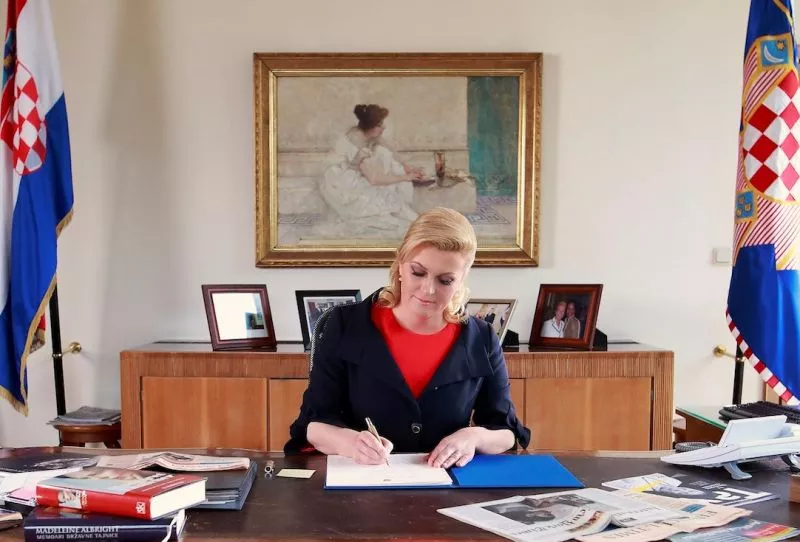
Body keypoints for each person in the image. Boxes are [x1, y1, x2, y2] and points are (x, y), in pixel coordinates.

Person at [285, 207, 530, 467]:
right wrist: (350, 442)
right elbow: (313, 424)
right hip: (361, 481)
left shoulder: (481, 337)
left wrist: (473, 437)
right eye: (418, 272)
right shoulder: (345, 325)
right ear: (400, 264)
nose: (428, 289)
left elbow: (506, 431)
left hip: (445, 484)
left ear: (461, 279)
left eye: (446, 280)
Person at [315, 104, 425, 238]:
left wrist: (406, 166)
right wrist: (407, 177)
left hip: (350, 174)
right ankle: (417, 223)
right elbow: (375, 179)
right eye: (380, 125)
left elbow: (389, 147)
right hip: (340, 184)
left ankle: (417, 222)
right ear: (370, 126)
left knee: (386, 160)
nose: (384, 127)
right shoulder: (358, 143)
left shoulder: (366, 132)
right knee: (383, 200)